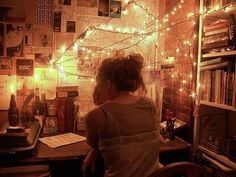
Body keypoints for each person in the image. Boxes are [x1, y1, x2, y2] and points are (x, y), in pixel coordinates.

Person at [82, 53, 161, 177]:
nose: (97, 86)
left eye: (98, 82)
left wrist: (94, 149)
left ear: (107, 83)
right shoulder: (150, 105)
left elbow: (93, 143)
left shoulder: (97, 115)